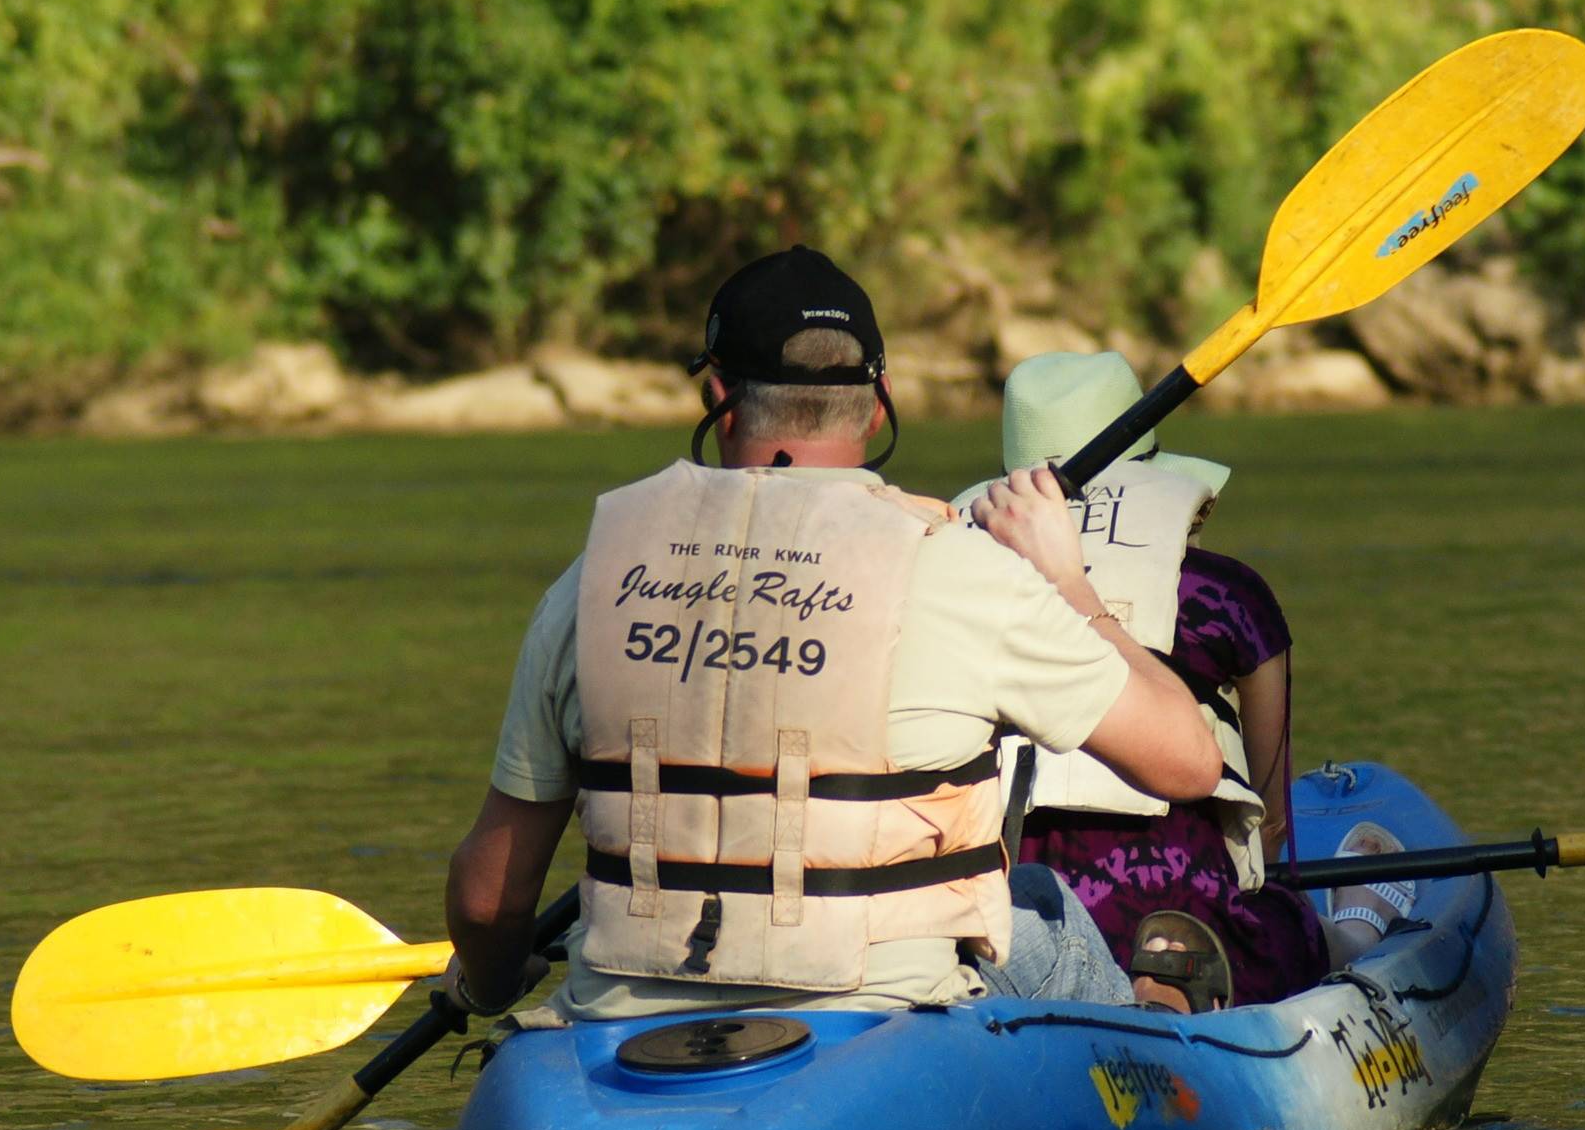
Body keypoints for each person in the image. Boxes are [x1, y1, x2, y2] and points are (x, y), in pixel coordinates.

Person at [439, 250, 1226, 1020]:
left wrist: (490, 982)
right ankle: (1166, 1021)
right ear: (879, 403)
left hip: (622, 1010)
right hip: (882, 1014)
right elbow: (1188, 764)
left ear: (717, 396)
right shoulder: (960, 569)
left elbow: (486, 901)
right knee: (1040, 910)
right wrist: (1068, 582)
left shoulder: (591, 580)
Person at [967, 352, 1329, 1011]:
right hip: (1184, 919)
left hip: (1013, 913)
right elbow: (1270, 824)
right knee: (1302, 926)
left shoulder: (954, 590)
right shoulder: (1229, 597)